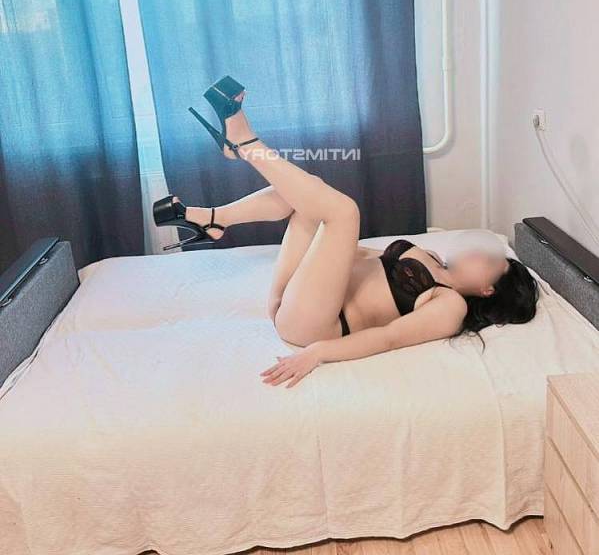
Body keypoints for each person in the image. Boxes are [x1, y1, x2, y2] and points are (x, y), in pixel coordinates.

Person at [153, 76, 539, 389]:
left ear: (488, 290)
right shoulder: (433, 258)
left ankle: (244, 144)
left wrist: (318, 353)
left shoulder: (451, 305)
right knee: (309, 193)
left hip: (313, 324)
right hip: (298, 294)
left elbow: (389, 338)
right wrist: (320, 231)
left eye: (491, 263)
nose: (480, 253)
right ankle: (213, 218)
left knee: (343, 212)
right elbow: (348, 260)